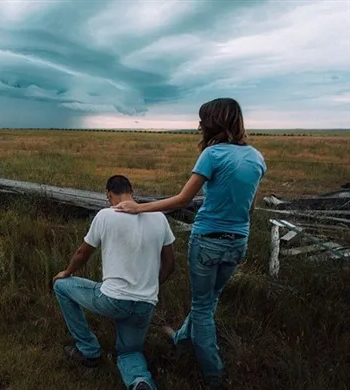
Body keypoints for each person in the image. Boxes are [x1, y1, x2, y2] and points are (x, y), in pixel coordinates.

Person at [113, 97, 267, 387]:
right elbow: (249, 208)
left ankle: (213, 376)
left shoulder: (212, 154)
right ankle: (182, 339)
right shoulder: (257, 157)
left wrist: (138, 207)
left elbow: (183, 199)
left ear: (214, 122)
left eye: (203, 120)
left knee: (201, 308)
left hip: (208, 240)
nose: (199, 125)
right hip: (238, 241)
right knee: (209, 300)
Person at [52, 175, 176, 390]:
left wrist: (67, 271)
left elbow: (83, 253)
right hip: (145, 303)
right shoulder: (158, 217)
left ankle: (88, 350)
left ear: (109, 194)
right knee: (130, 351)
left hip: (113, 300)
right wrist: (150, 287)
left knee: (61, 287)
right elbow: (170, 264)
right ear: (132, 191)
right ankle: (140, 382)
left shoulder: (106, 215)